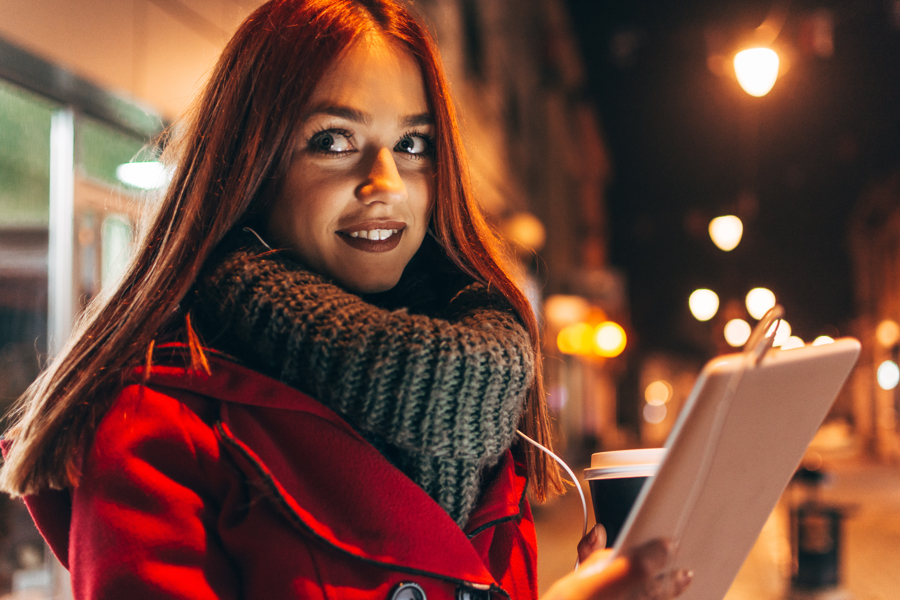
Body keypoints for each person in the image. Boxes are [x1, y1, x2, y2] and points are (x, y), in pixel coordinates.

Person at [0, 1, 690, 598]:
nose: (385, 180)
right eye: (334, 141)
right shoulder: (158, 427)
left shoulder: (475, 391)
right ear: (253, 164)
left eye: (413, 143)